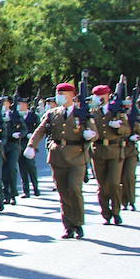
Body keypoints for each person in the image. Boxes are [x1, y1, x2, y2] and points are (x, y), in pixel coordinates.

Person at [25, 83, 96, 238]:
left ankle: (78, 223)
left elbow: (94, 131)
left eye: (63, 93)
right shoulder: (52, 114)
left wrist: (90, 135)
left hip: (77, 156)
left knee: (75, 190)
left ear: (72, 95)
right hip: (57, 157)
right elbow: (40, 130)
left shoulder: (82, 113)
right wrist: (31, 145)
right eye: (58, 93)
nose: (60, 96)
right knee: (63, 192)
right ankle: (68, 226)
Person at [90, 84, 130, 225]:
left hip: (114, 150)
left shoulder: (117, 111)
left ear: (107, 96)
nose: (98, 98)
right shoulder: (92, 111)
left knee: (113, 183)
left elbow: (127, 131)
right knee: (102, 185)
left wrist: (119, 127)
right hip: (98, 150)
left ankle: (116, 212)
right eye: (96, 95)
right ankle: (105, 213)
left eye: (101, 95)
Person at [0, 94, 25, 203]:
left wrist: (19, 134)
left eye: (5, 102)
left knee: (11, 168)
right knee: (3, 171)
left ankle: (13, 193)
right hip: (2, 146)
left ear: (10, 104)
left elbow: (24, 129)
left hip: (13, 145)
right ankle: (6, 195)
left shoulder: (15, 115)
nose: (3, 105)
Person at [18, 96, 42, 197]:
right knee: (22, 168)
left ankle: (36, 188)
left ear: (26, 105)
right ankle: (25, 191)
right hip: (19, 144)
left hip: (30, 144)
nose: (19, 106)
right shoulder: (17, 116)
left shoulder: (33, 116)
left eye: (21, 104)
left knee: (31, 167)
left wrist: (31, 134)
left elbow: (39, 128)